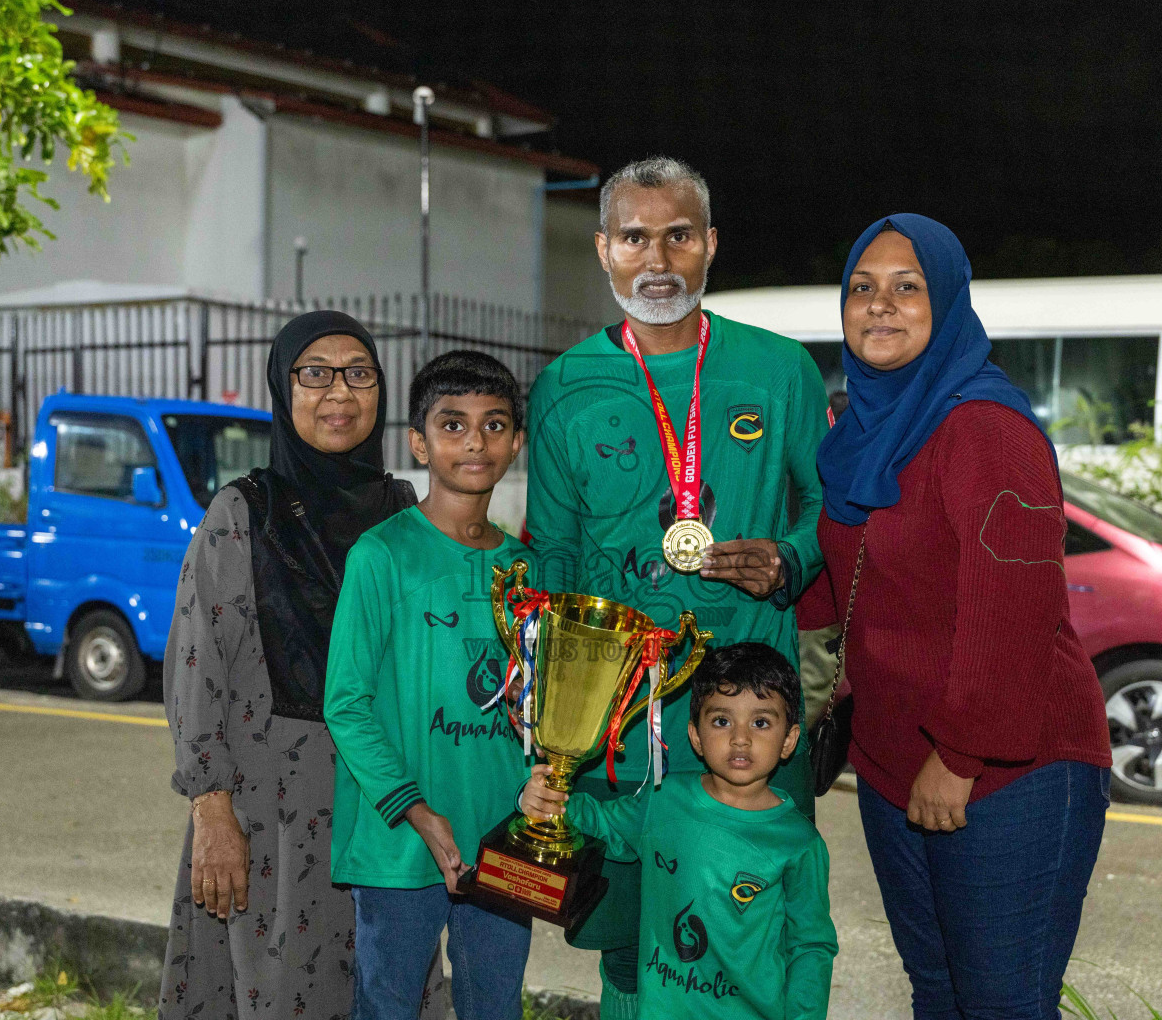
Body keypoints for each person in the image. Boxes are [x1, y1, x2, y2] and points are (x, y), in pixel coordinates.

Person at [524, 156, 830, 1019]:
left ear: (710, 246)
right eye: (633, 236)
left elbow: (826, 512)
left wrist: (790, 559)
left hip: (748, 714)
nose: (655, 258)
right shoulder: (562, 387)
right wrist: (553, 727)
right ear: (602, 250)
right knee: (625, 939)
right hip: (617, 719)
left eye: (677, 235)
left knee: (755, 926)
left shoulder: (780, 371)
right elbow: (549, 550)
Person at [800, 214, 1113, 1018]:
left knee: (1001, 1002)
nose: (879, 306)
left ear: (947, 304)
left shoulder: (982, 427)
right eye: (862, 288)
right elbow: (849, 581)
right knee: (936, 993)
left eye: (907, 289)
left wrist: (961, 754)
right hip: (887, 760)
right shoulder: (858, 434)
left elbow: (1011, 610)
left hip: (1010, 769)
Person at [160, 310, 418, 1020]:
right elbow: (194, 664)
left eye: (359, 374)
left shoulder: (405, 511)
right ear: (283, 388)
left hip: (386, 804)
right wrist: (212, 811)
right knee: (276, 989)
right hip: (272, 811)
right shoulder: (243, 513)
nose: (339, 392)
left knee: (388, 984)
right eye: (315, 374)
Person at [326, 351, 537, 1020]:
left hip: (502, 841)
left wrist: (543, 778)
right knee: (385, 1007)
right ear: (418, 442)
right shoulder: (381, 555)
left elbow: (534, 706)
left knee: (495, 1008)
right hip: (401, 844)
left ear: (516, 442)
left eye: (494, 424)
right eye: (452, 424)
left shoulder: (526, 568)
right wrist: (414, 809)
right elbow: (346, 704)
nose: (474, 441)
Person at [522, 642, 838, 1020]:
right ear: (695, 735)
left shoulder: (799, 843)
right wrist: (544, 800)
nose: (740, 738)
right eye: (722, 721)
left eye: (761, 722)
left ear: (789, 739)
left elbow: (811, 945)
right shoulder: (664, 798)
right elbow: (600, 823)